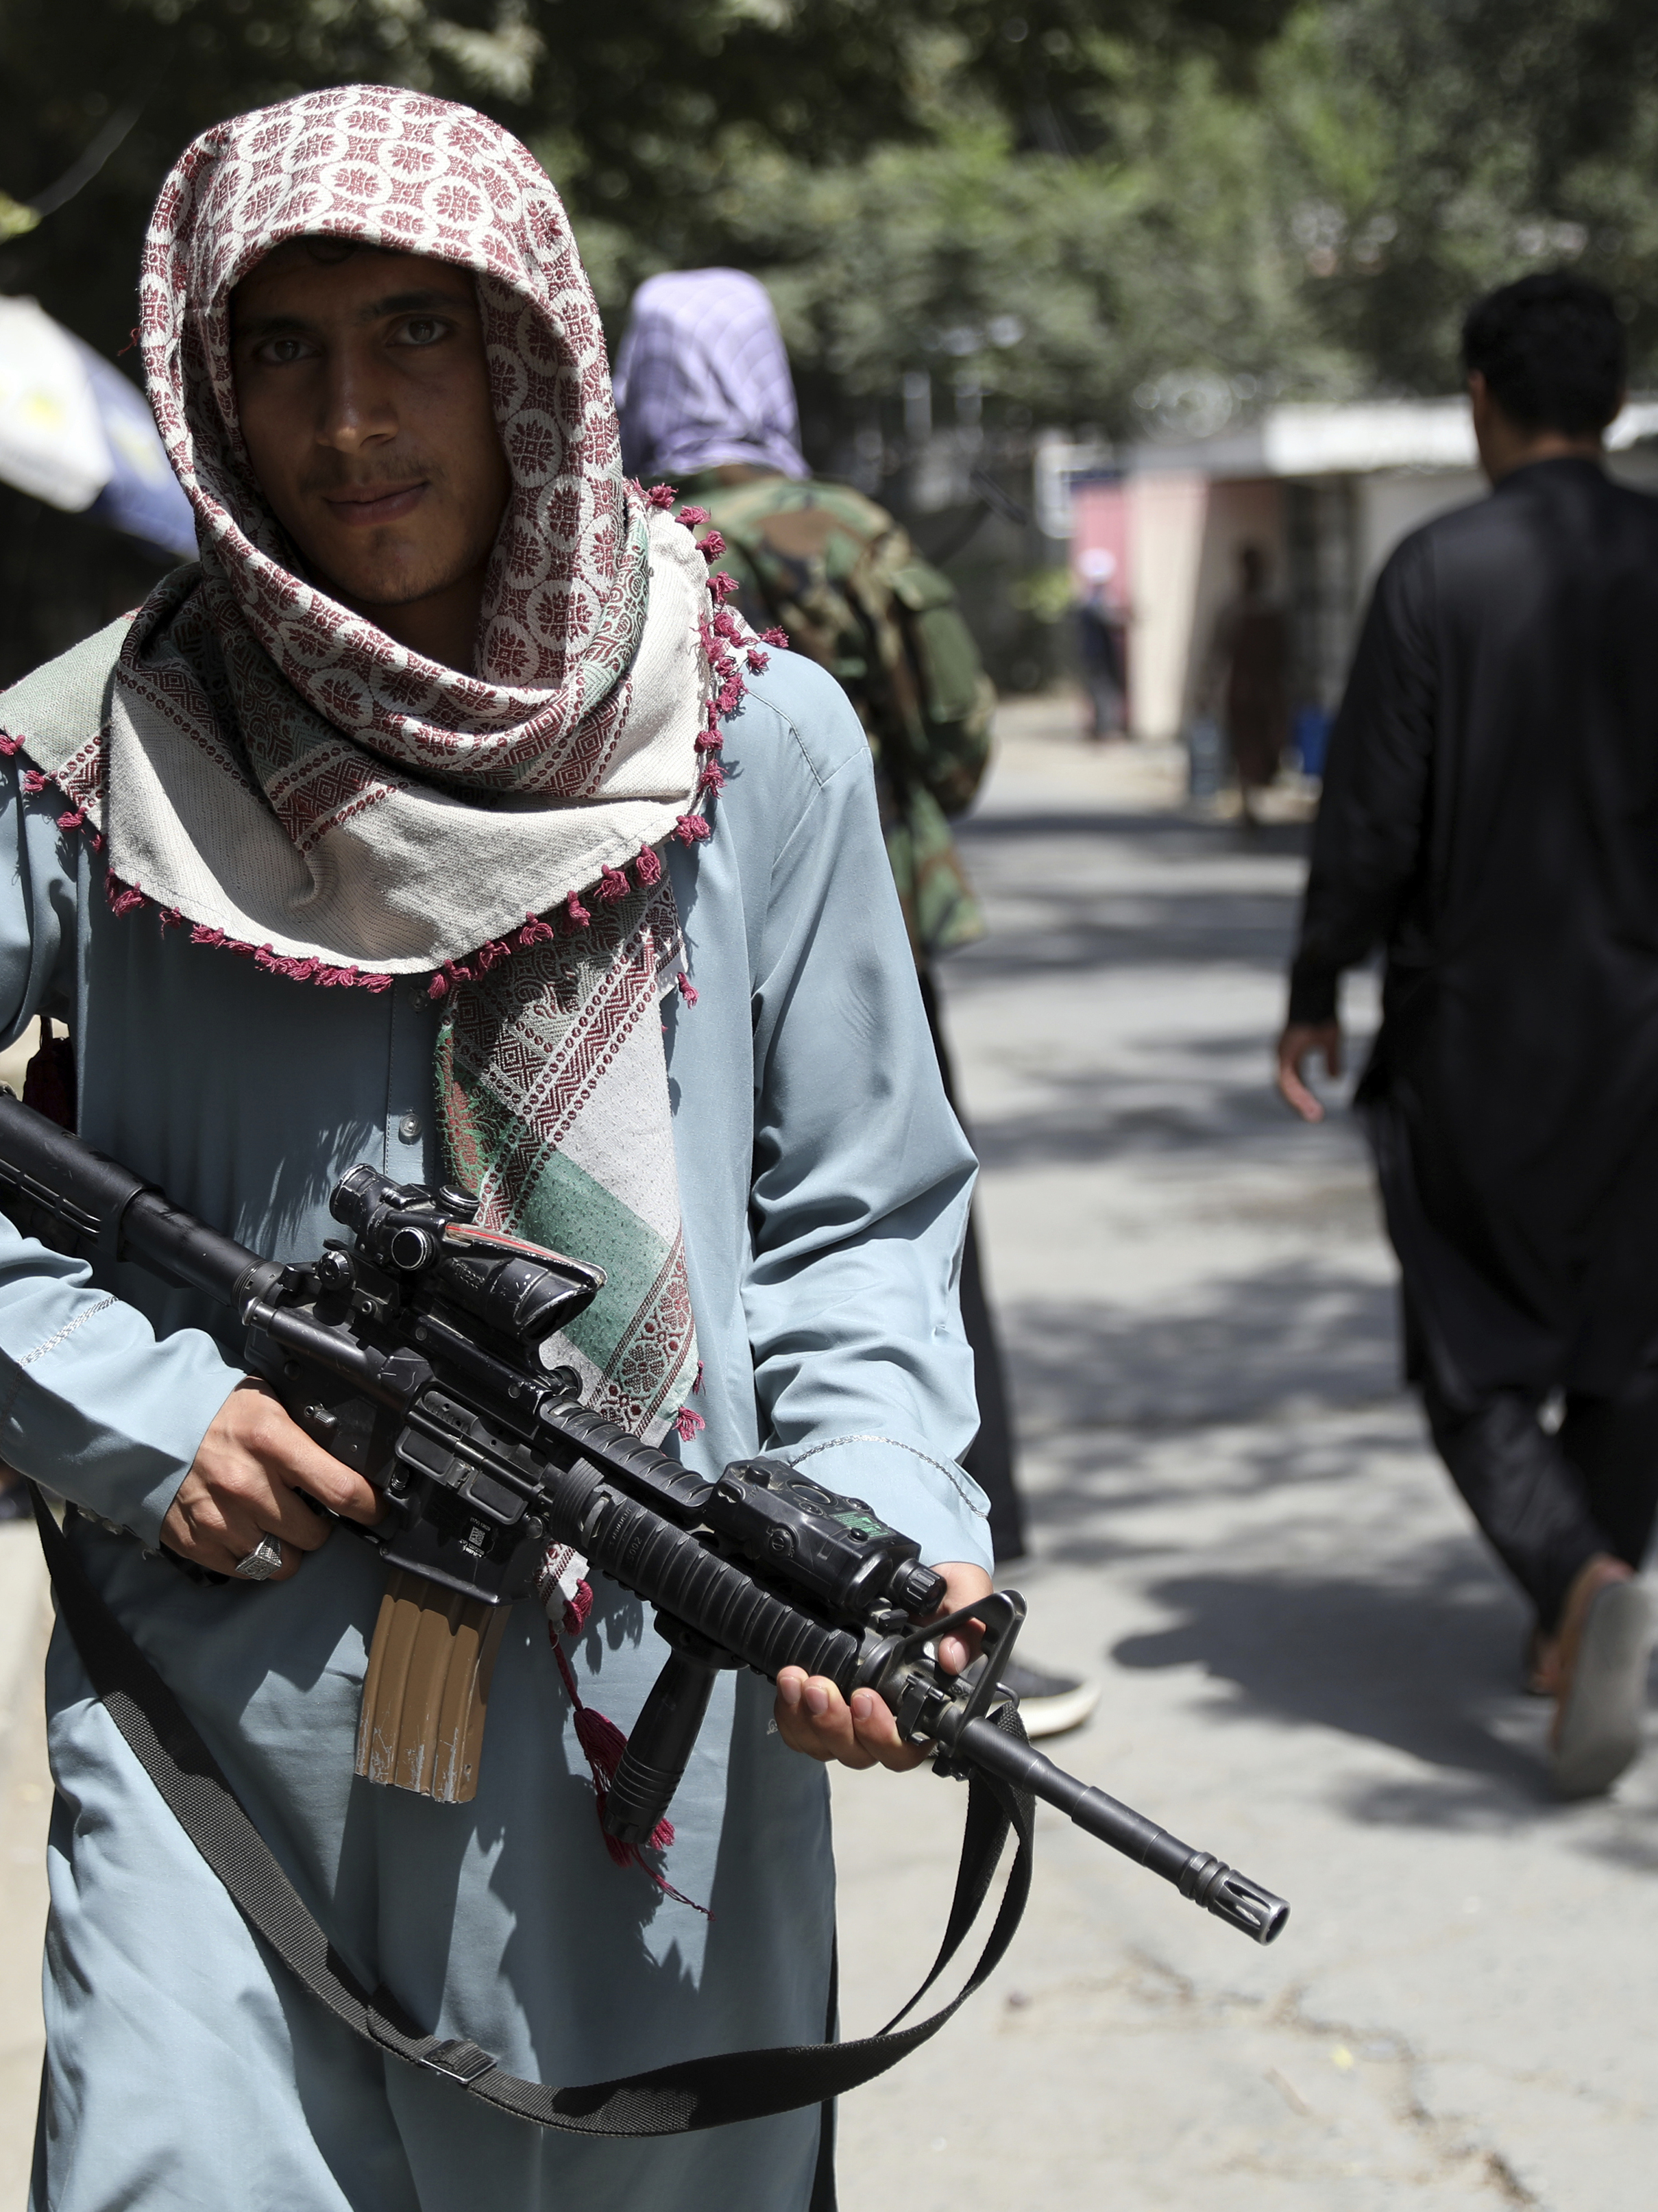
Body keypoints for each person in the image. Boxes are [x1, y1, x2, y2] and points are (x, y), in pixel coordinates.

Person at [0, 88, 997, 2210]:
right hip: (228, 1721)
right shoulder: (105, 750)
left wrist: (869, 1531)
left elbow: (858, 1207)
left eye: (415, 334)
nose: (350, 420)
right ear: (211, 391)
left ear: (527, 356)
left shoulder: (751, 738)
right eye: (285, 351)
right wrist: (139, 1409)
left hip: (647, 1742)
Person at [1273, 273, 1658, 1798]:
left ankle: (1575, 1580)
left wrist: (1318, 986)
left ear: (1481, 396)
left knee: (1468, 1346)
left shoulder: (1434, 575)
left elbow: (1374, 817)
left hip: (1475, 1035)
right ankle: (1583, 1591)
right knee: (1633, 1342)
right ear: (1612, 401)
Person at [612, 265, 1094, 1738]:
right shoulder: (857, 539)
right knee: (896, 1247)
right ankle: (936, 1598)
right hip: (857, 951)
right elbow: (955, 742)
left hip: (648, 977)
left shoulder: (603, 556)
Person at [1204, 543, 1290, 826]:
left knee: (1268, 747)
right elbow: (1218, 651)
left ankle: (1256, 797)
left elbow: (1288, 654)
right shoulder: (1232, 608)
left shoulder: (1274, 607)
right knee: (1244, 748)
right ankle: (1248, 802)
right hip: (1243, 690)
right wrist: (1208, 689)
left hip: (1269, 689)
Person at [1074, 547, 1129, 741]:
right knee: (1102, 692)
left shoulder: (1090, 598)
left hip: (1095, 654)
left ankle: (1100, 730)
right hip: (1097, 655)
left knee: (1100, 692)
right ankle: (1104, 731)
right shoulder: (1094, 601)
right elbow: (1110, 620)